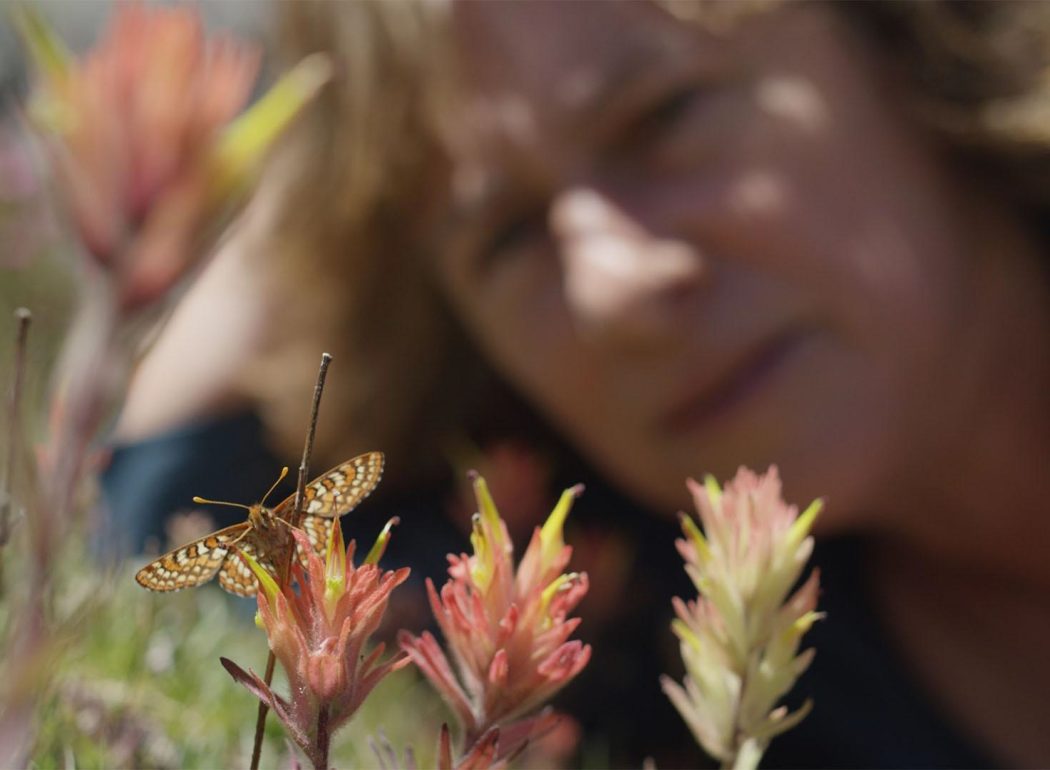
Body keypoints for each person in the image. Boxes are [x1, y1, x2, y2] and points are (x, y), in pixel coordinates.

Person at [104, 1, 1050, 767]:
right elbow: (143, 554)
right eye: (507, 234)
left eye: (661, 116)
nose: (611, 290)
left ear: (904, 36)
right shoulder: (648, 637)